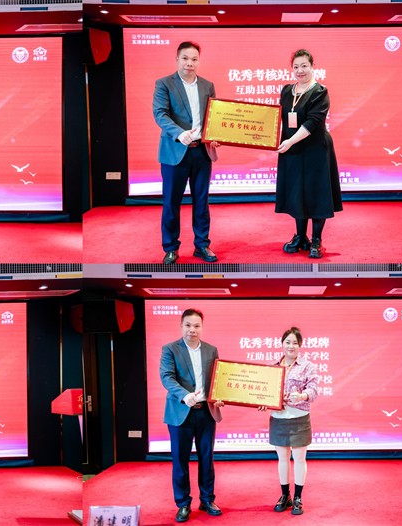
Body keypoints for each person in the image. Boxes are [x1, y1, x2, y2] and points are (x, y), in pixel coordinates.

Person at [153, 41, 220, 265]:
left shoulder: (208, 85)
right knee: (171, 203)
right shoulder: (164, 84)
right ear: (177, 59)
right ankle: (171, 247)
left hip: (202, 152)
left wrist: (215, 135)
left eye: (194, 59)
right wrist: (179, 133)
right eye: (185, 58)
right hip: (175, 151)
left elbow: (214, 116)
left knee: (201, 201)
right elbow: (160, 114)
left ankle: (202, 245)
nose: (189, 63)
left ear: (198, 61)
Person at [275, 49, 342, 259]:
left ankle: (316, 240)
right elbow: (277, 118)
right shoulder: (287, 91)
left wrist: (290, 141)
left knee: (316, 193)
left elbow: (312, 123)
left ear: (312, 67)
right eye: (296, 67)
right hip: (293, 149)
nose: (300, 70)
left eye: (304, 66)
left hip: (315, 149)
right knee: (297, 192)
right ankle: (300, 236)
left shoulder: (320, 92)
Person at [160, 308, 224, 522]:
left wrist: (219, 396)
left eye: (196, 326)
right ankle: (183, 503)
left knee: (207, 458)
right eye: (188, 325)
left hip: (206, 412)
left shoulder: (211, 350)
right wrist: (184, 395)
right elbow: (167, 377)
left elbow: (217, 379)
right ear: (181, 326)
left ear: (202, 327)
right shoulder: (170, 349)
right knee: (180, 460)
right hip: (181, 413)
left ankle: (207, 500)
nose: (192, 330)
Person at [258, 327, 320, 516]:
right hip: (278, 418)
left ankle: (298, 498)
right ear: (282, 344)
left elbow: (314, 389)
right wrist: (262, 402)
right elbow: (264, 392)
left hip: (299, 418)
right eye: (288, 342)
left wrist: (302, 396)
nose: (291, 346)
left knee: (299, 459)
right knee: (282, 459)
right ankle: (285, 496)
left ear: (300, 345)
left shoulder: (308, 366)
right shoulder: (272, 367)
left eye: (295, 343)